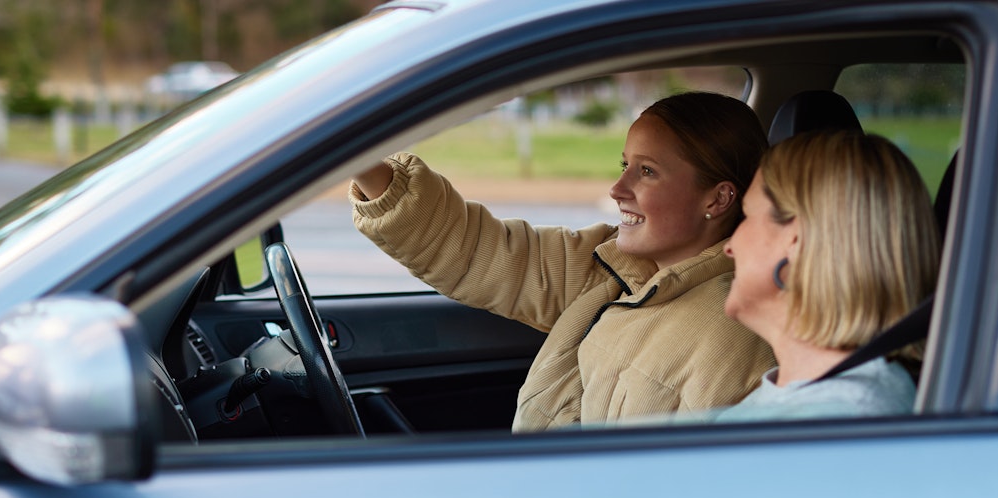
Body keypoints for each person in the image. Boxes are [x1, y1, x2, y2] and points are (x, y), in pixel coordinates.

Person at [349, 91, 776, 432]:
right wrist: (358, 155)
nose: (617, 188)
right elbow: (475, 250)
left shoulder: (738, 334)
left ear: (717, 198)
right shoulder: (611, 268)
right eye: (625, 165)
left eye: (647, 172)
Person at [713, 129, 941, 421]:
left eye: (747, 216)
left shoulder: (841, 420)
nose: (729, 247)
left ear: (796, 240)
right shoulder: (815, 401)